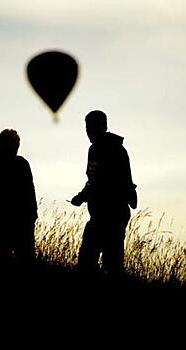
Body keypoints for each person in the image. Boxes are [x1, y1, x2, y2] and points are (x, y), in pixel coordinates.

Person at [71, 110, 137, 278]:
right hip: (101, 215)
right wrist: (82, 196)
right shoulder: (94, 150)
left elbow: (101, 182)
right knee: (93, 261)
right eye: (87, 128)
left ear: (103, 127)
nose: (88, 132)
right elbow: (93, 180)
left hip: (113, 215)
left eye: (92, 127)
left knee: (109, 263)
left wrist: (83, 196)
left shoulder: (114, 150)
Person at [0, 129, 38, 267]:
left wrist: (32, 215)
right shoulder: (18, 165)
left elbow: (30, 193)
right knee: (16, 261)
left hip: (16, 223)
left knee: (8, 261)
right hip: (10, 223)